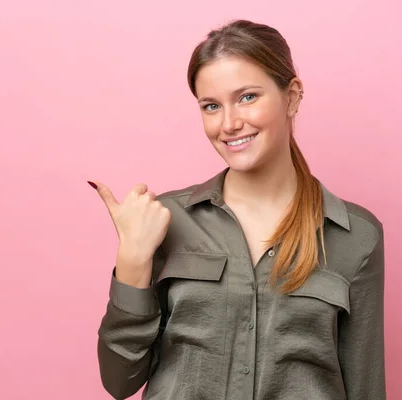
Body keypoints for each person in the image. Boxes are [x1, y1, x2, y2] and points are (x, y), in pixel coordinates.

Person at [89, 19, 386, 400]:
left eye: (247, 97)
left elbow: (365, 387)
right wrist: (132, 257)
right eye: (211, 106)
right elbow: (119, 381)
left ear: (292, 96)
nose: (229, 124)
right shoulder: (166, 220)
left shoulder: (356, 235)